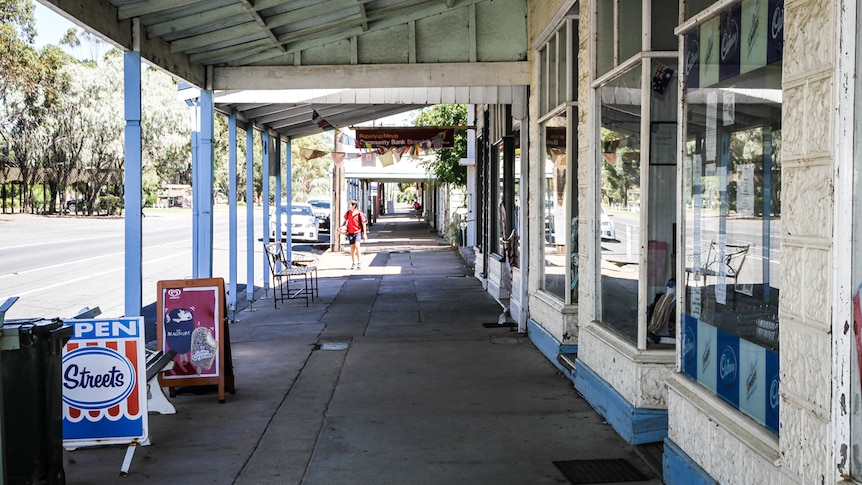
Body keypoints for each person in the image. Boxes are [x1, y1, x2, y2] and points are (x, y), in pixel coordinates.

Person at [344, 199, 368, 269]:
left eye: (350, 204)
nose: (349, 205)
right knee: (352, 247)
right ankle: (353, 262)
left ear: (354, 205)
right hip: (350, 232)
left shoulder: (359, 213)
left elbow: (364, 223)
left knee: (357, 246)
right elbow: (345, 221)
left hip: (357, 232)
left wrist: (364, 234)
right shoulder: (348, 213)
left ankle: (359, 262)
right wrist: (342, 228)